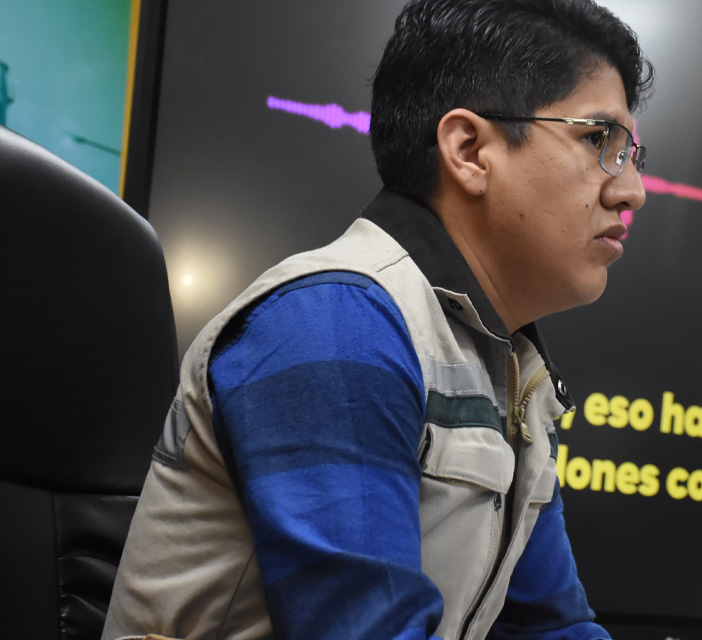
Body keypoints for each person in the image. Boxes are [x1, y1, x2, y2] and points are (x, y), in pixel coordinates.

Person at [102, 0, 651, 638]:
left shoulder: (511, 371)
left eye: (632, 152)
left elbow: (551, 630)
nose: (632, 189)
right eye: (598, 141)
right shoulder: (336, 321)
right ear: (469, 150)